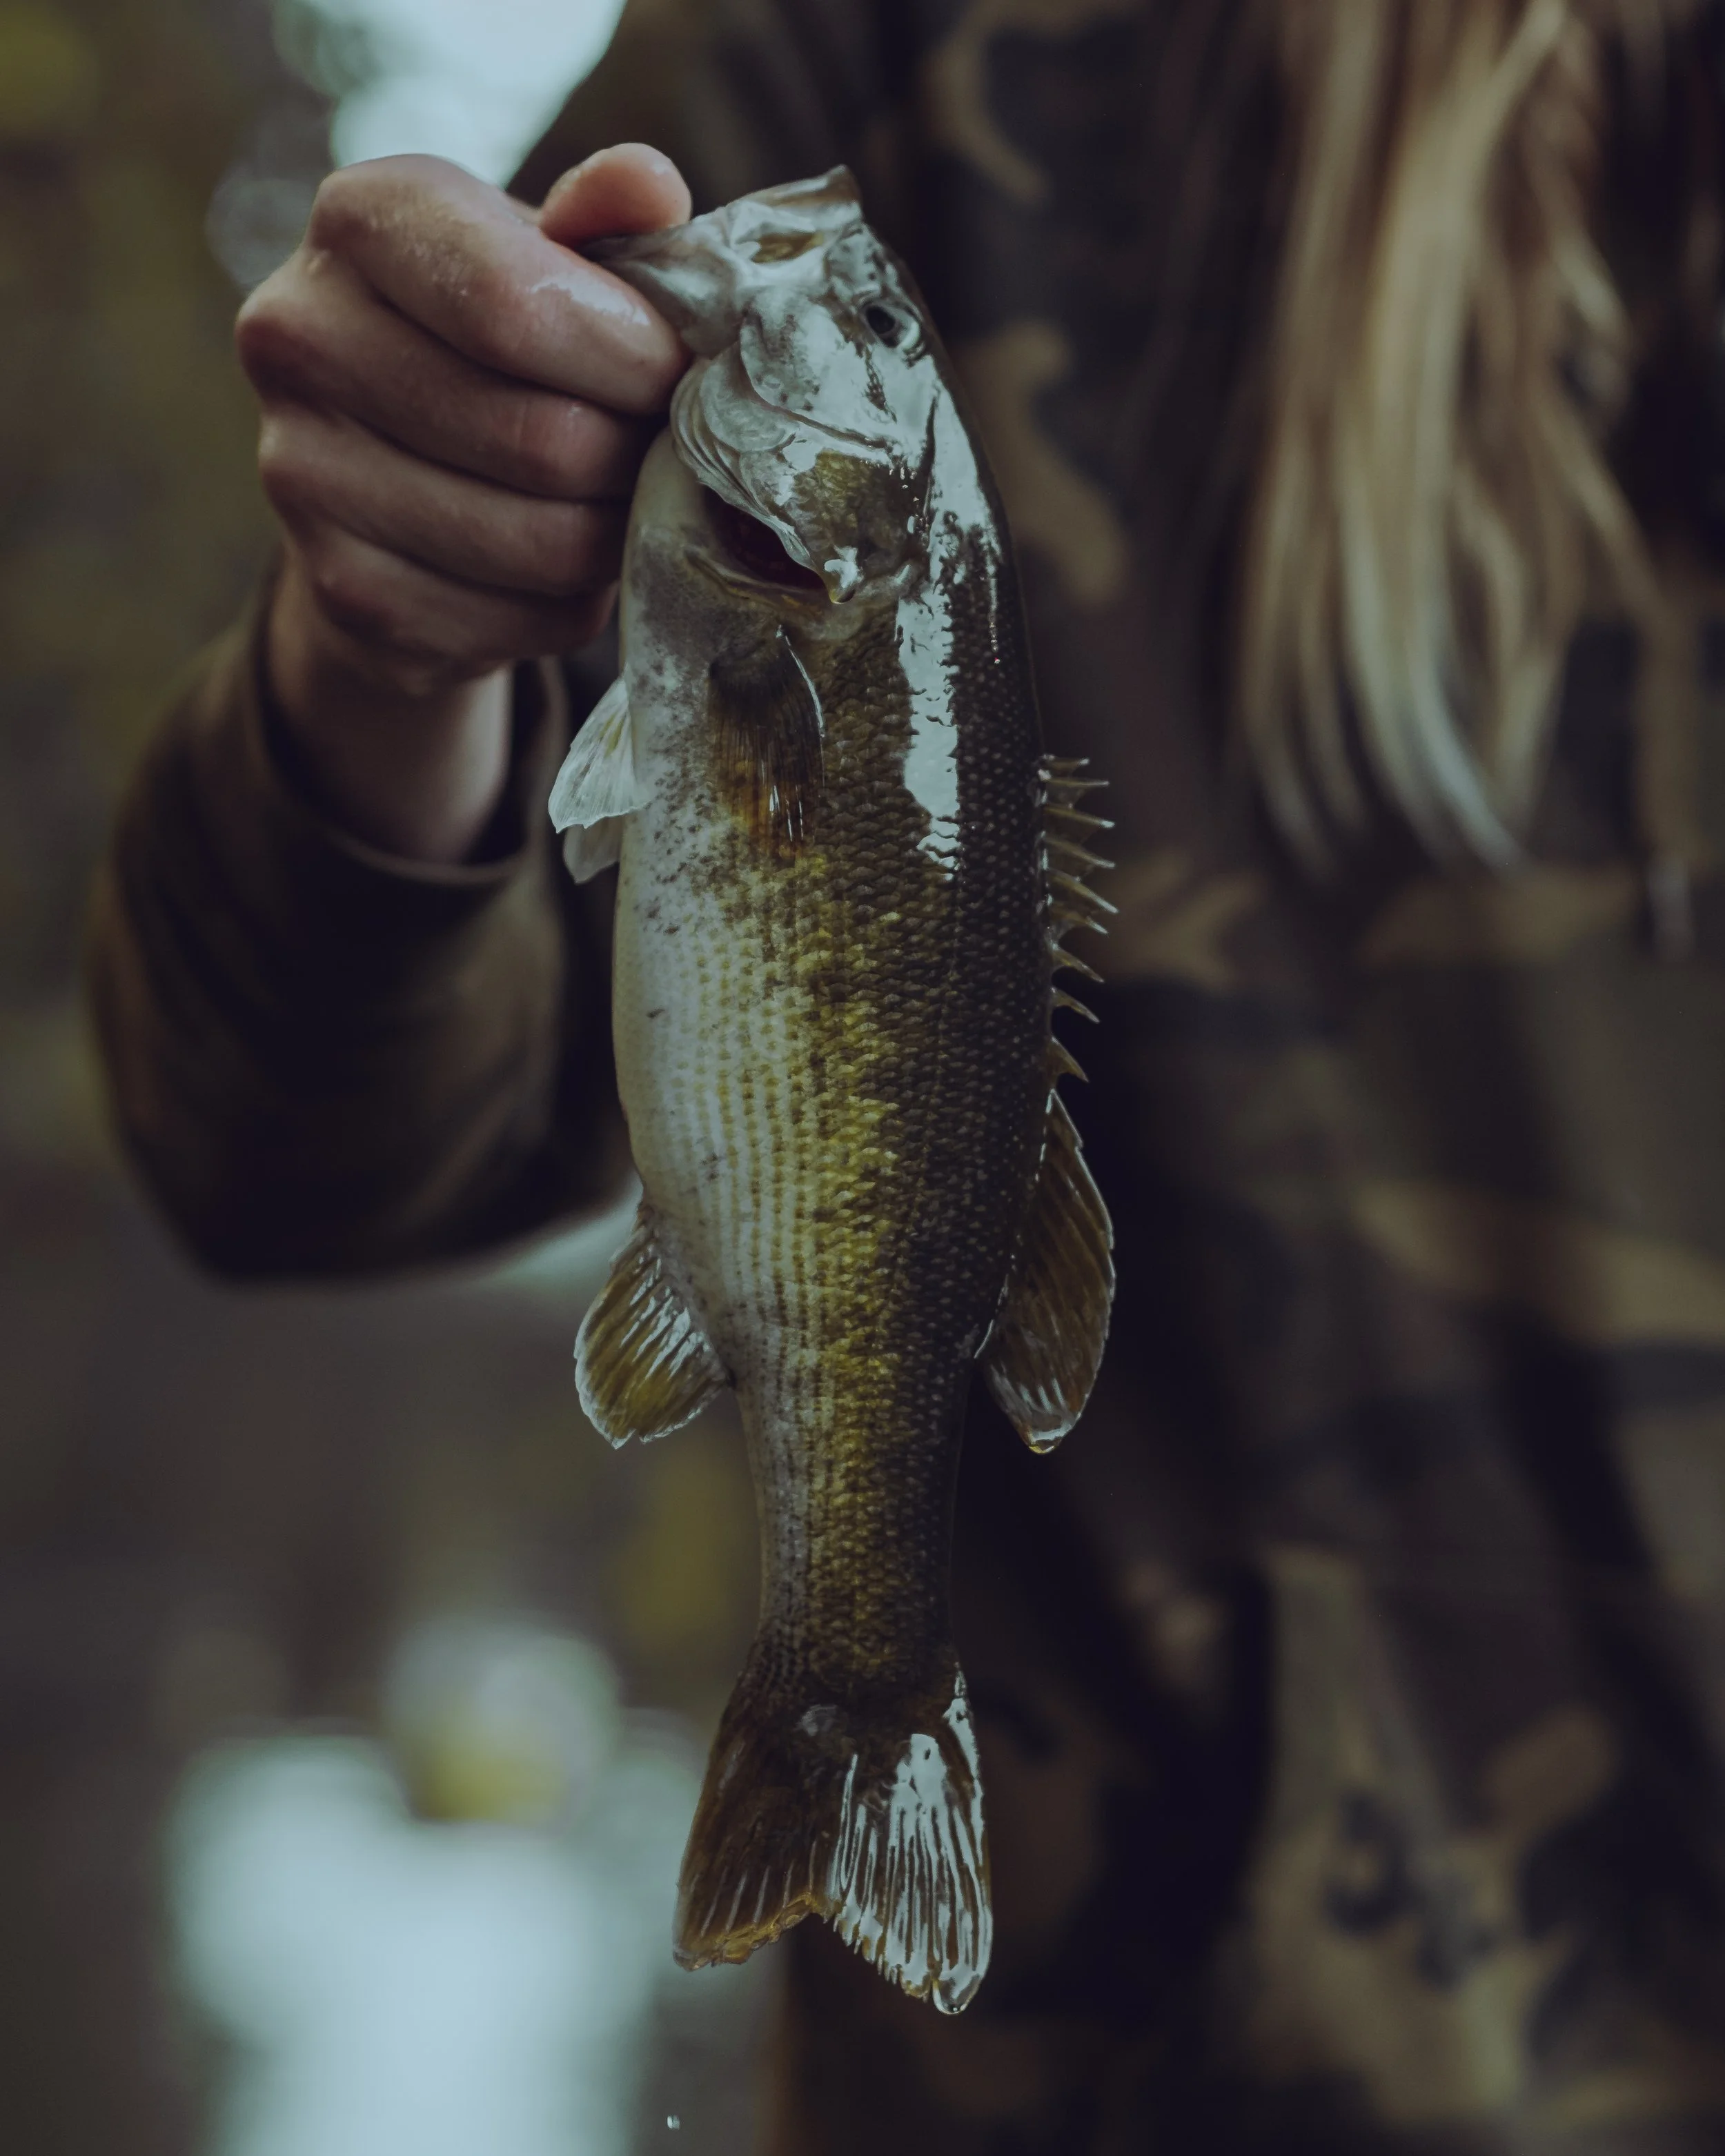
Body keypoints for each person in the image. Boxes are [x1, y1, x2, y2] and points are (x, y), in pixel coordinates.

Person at [90, 0, 1725, 2147]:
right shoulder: (872, 64)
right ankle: (846, 1703)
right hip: (1137, 2064)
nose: (821, 279)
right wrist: (389, 660)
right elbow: (283, 1151)